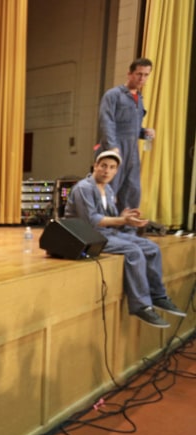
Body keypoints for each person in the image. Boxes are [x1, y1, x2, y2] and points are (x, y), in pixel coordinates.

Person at [65, 149, 184, 328]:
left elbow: (111, 220)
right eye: (103, 166)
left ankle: (158, 296)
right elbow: (91, 221)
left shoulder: (109, 190)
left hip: (105, 233)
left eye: (112, 167)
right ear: (95, 166)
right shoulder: (84, 188)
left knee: (152, 248)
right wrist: (122, 220)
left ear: (116, 171)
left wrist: (125, 217)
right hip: (86, 236)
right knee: (133, 251)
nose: (107, 171)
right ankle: (141, 305)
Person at [98, 57, 155, 212]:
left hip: (132, 151)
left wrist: (144, 132)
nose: (142, 78)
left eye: (146, 75)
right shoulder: (113, 95)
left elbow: (132, 126)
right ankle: (104, 227)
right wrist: (112, 148)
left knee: (132, 189)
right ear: (129, 74)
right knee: (109, 188)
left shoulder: (139, 98)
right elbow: (107, 121)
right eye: (139, 74)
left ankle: (126, 229)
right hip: (115, 148)